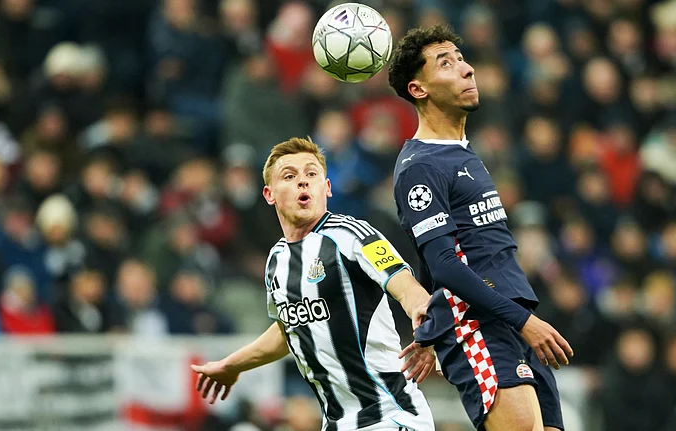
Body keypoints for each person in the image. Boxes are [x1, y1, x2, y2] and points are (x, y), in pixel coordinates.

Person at [387, 24, 574, 431]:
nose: (467, 69)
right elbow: (446, 266)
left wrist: (430, 327)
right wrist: (524, 322)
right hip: (479, 324)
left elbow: (441, 253)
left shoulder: (462, 153)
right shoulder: (422, 166)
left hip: (508, 317)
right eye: (446, 63)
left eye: (461, 58)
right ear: (419, 89)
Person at [190, 137, 436, 431]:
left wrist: (424, 317)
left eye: (311, 174)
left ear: (327, 188)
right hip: (337, 424)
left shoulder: (353, 235)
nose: (303, 182)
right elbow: (289, 329)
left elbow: (404, 284)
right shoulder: (277, 260)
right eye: (290, 176)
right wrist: (232, 366)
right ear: (270, 194)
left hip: (390, 416)